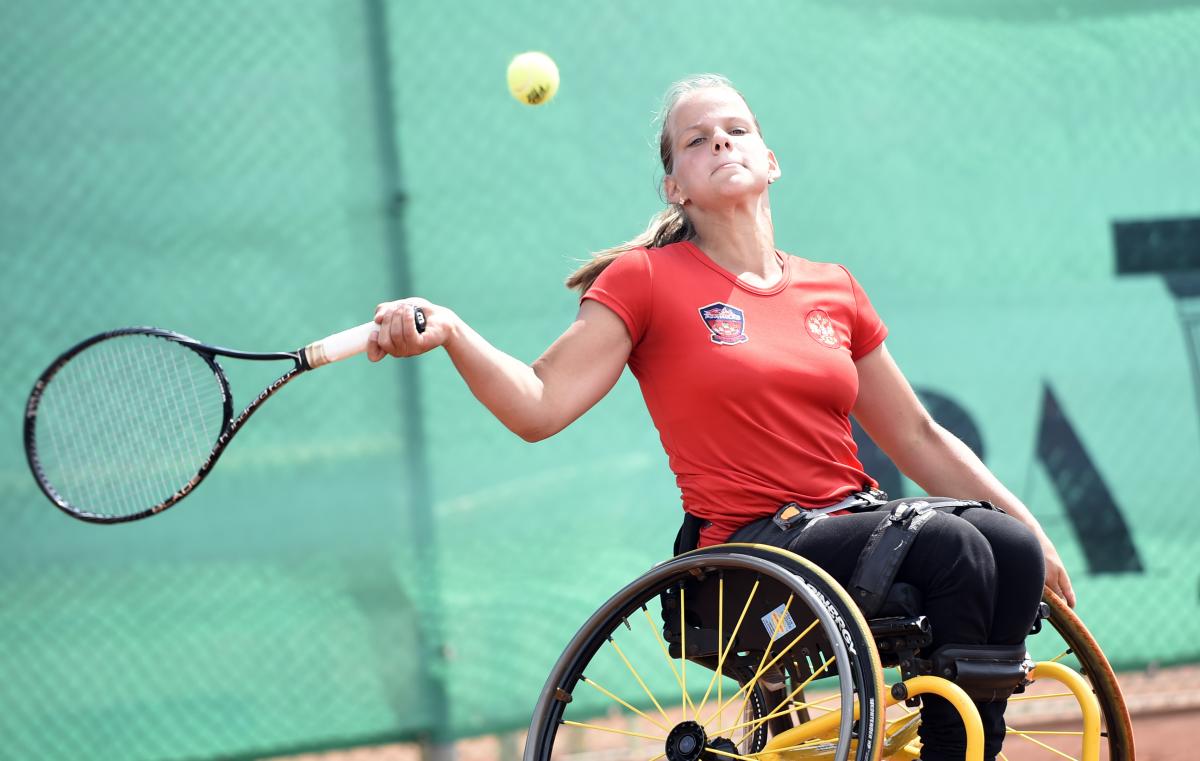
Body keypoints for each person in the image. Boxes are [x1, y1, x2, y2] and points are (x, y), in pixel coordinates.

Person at [366, 74, 1074, 761]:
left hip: (854, 525)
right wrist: (454, 331)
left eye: (738, 130)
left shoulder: (833, 287)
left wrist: (1034, 531)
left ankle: (963, 746)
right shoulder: (646, 280)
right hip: (757, 556)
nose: (721, 143)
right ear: (675, 186)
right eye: (697, 140)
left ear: (770, 161)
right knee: (954, 545)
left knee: (1006, 545)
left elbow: (917, 435)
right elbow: (537, 403)